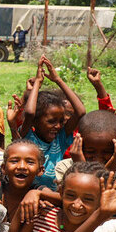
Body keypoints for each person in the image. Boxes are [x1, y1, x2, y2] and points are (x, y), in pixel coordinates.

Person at [19, 55, 85, 190]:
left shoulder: (60, 138)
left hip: (54, 197)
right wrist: (38, 82)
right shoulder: (27, 137)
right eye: (51, 121)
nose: (58, 126)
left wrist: (58, 80)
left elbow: (80, 111)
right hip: (28, 196)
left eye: (61, 121)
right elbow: (30, 112)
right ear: (35, 122)